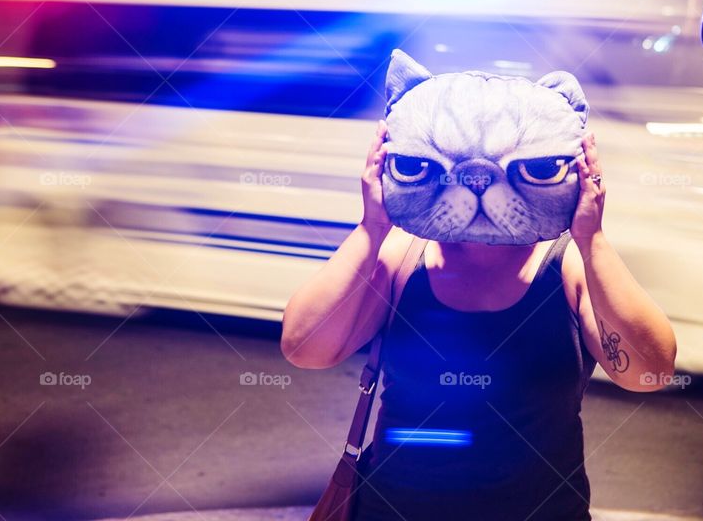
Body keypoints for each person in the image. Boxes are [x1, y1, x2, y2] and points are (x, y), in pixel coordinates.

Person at [281, 121, 677, 521]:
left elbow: (649, 372)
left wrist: (593, 239)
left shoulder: (568, 261)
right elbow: (304, 348)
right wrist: (373, 226)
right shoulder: (404, 253)